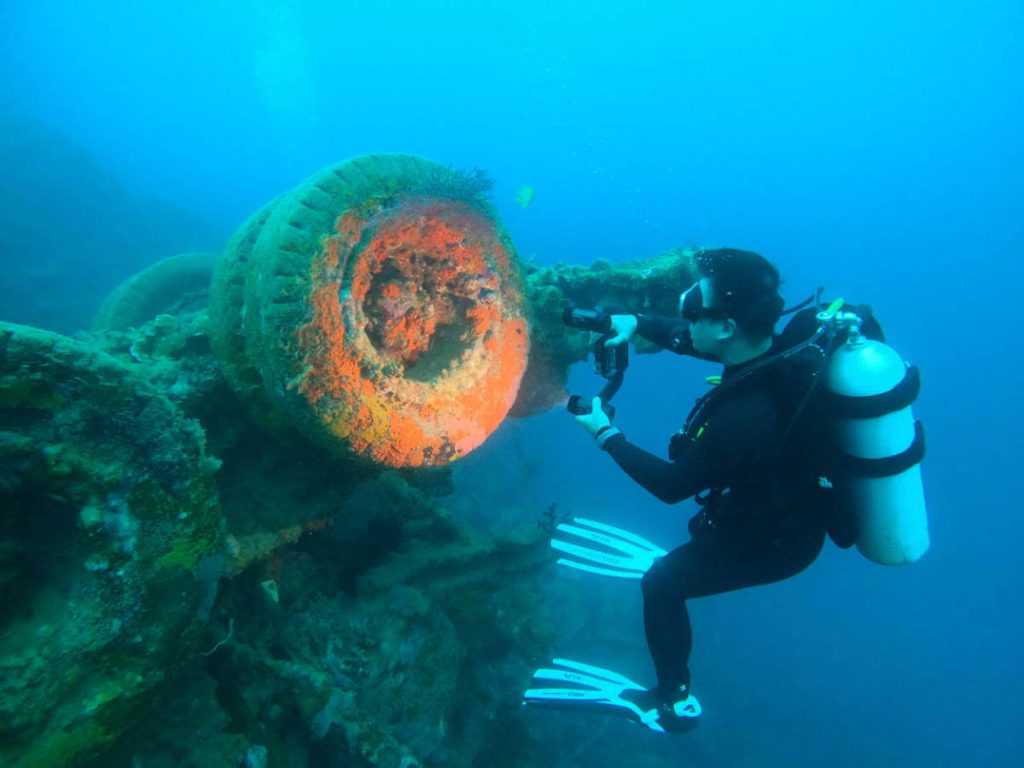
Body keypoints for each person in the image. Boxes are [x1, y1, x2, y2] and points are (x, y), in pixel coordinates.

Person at [573, 248, 831, 733]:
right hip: (757, 506)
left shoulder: (748, 420)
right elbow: (689, 338)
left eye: (695, 304)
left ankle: (672, 700)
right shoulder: (766, 350)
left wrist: (604, 433)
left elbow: (672, 487)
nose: (685, 307)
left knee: (662, 584)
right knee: (685, 553)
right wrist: (633, 320)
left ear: (728, 326)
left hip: (777, 543)